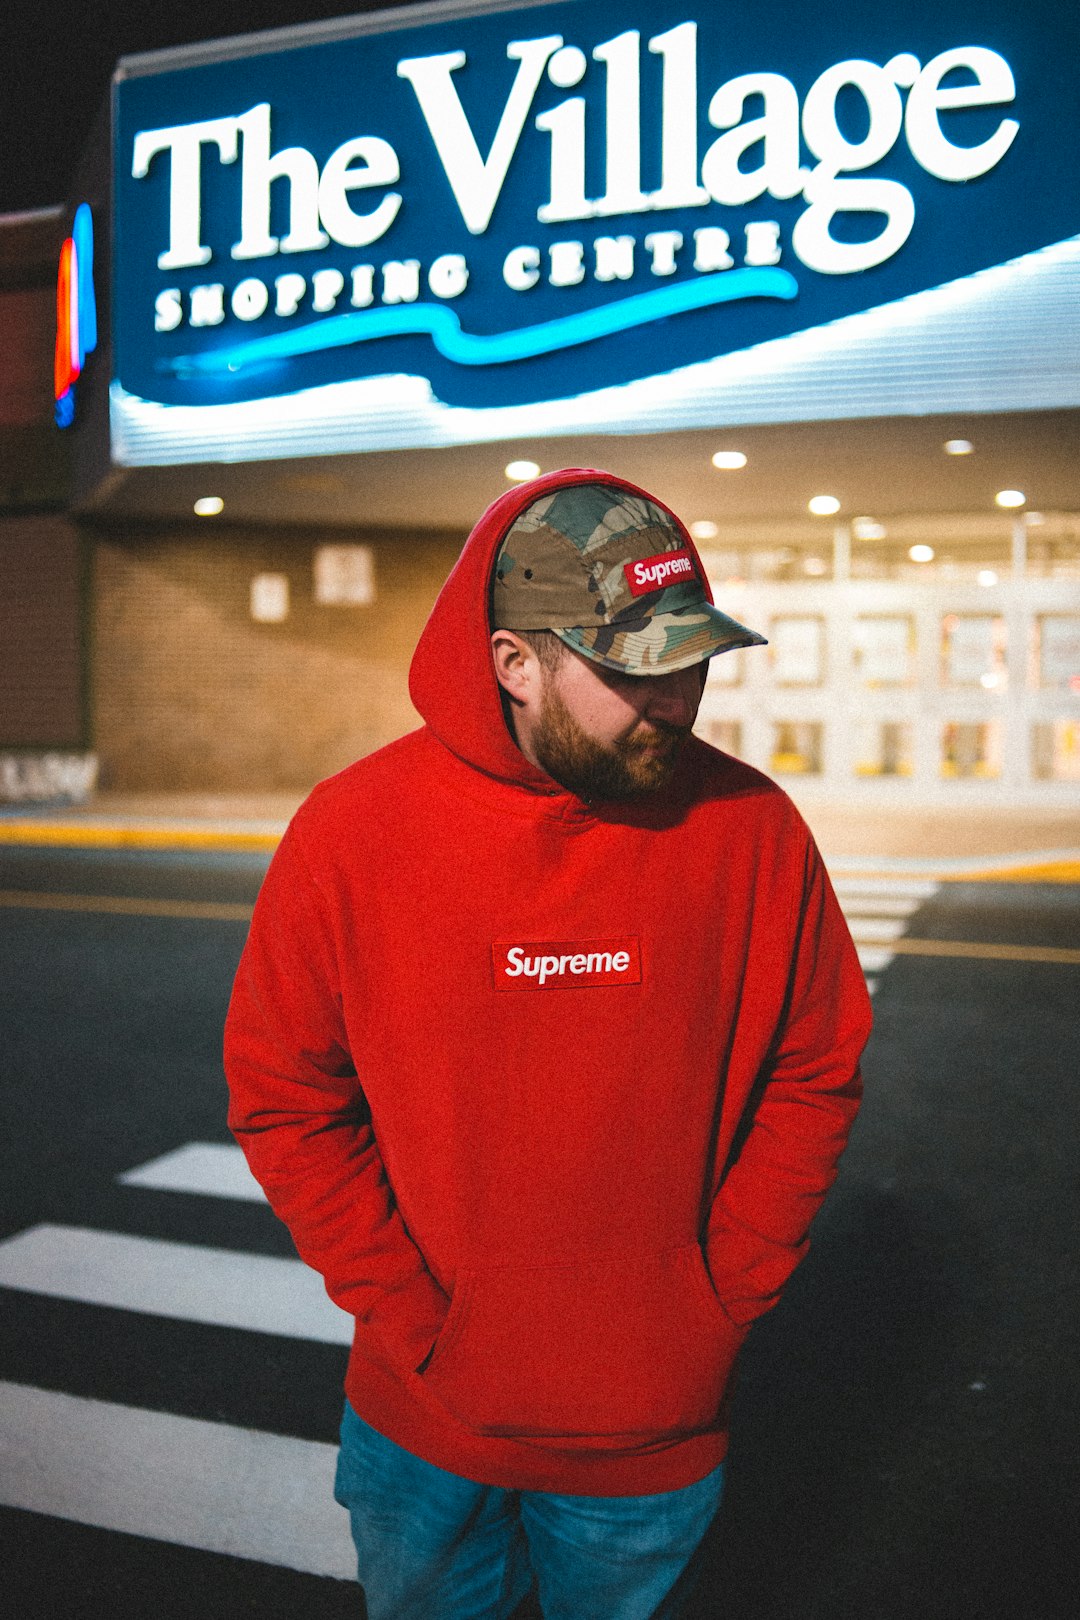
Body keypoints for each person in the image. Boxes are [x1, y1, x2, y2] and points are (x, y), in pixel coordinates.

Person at [224, 468, 873, 1620]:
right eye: (634, 670)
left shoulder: (751, 829)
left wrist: (720, 1293)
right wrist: (413, 1317)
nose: (675, 699)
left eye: (693, 662)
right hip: (424, 1422)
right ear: (514, 663)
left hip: (655, 1439)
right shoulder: (353, 832)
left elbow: (814, 1068)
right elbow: (284, 1097)